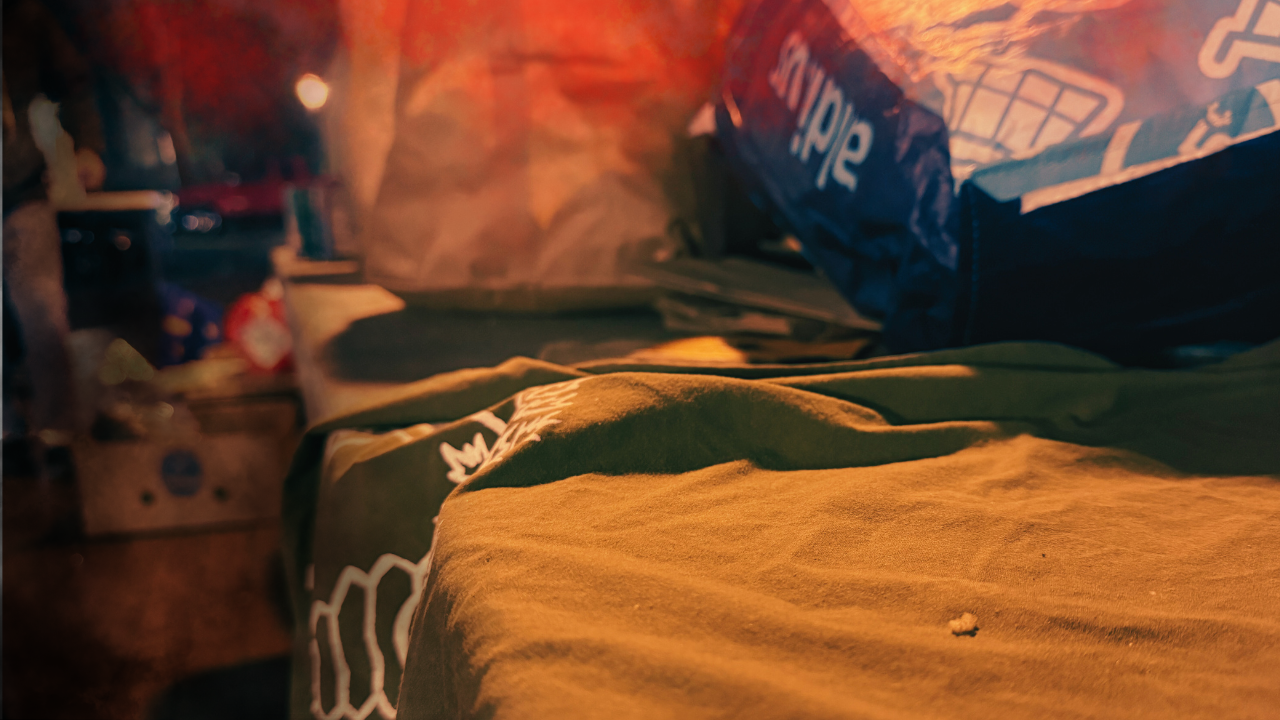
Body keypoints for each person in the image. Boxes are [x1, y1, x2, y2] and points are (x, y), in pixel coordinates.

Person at [3, 0, 106, 475]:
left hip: (19, 188)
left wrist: (87, 144)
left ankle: (60, 436)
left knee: (43, 312)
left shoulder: (21, 16)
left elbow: (72, 81)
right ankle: (7, 434)